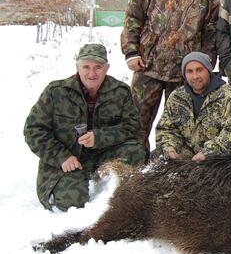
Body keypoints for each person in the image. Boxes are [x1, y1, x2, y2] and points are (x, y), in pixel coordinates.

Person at [121, 0, 220, 151]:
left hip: (183, 76)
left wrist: (204, 70)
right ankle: (133, 170)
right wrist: (131, 51)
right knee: (136, 126)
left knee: (177, 129)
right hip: (147, 68)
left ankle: (167, 171)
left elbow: (210, 39)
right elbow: (133, 18)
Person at [24, 44, 146, 211]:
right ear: (77, 67)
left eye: (98, 67)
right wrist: (61, 157)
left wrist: (100, 137)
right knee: (71, 203)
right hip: (69, 161)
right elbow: (34, 130)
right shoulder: (56, 92)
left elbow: (132, 127)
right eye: (86, 67)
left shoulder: (121, 92)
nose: (92, 73)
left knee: (136, 150)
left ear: (107, 68)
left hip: (102, 156)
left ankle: (111, 186)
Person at [155, 51, 231, 161]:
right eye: (189, 71)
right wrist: (170, 150)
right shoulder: (177, 97)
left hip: (220, 158)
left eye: (199, 70)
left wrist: (208, 153)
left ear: (208, 71)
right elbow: (166, 129)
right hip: (186, 158)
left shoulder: (228, 95)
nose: (195, 76)